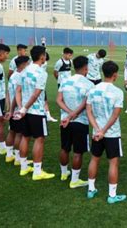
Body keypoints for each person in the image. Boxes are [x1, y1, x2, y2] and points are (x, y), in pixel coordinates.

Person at [86, 61, 127, 203]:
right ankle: (112, 195)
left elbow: (89, 112)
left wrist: (97, 129)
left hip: (97, 132)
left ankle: (91, 190)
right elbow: (115, 115)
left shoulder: (93, 89)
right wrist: (103, 130)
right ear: (115, 75)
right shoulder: (117, 92)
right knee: (113, 163)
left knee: (94, 159)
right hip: (112, 133)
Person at [14, 45, 55, 181]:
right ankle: (37, 171)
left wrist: (21, 108)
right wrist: (25, 108)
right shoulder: (41, 73)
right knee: (39, 139)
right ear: (42, 56)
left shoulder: (24, 71)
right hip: (36, 111)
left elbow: (18, 90)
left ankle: (23, 167)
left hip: (25, 111)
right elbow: (36, 94)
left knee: (25, 137)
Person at [56, 56, 95, 189]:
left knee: (65, 148)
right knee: (78, 151)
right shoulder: (89, 84)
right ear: (86, 68)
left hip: (65, 120)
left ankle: (63, 173)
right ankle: (74, 180)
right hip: (80, 121)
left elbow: (59, 100)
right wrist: (74, 113)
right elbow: (87, 103)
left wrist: (69, 112)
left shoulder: (65, 81)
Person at [4, 55, 30, 164]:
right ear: (23, 65)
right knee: (19, 134)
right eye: (28, 63)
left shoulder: (13, 76)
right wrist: (18, 109)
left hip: (12, 109)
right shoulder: (20, 77)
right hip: (18, 110)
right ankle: (18, 158)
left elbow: (8, 93)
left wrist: (9, 108)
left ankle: (9, 155)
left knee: (12, 132)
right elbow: (16, 95)